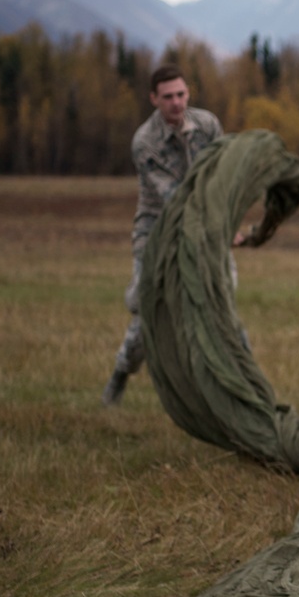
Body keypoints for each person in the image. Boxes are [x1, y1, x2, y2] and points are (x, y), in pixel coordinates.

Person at [101, 64, 223, 405]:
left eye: (181, 94)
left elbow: (223, 175)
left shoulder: (208, 124)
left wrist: (227, 225)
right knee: (146, 313)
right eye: (168, 96)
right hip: (156, 229)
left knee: (219, 302)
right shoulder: (145, 142)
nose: (176, 102)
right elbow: (174, 198)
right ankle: (121, 374)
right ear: (154, 99)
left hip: (204, 224)